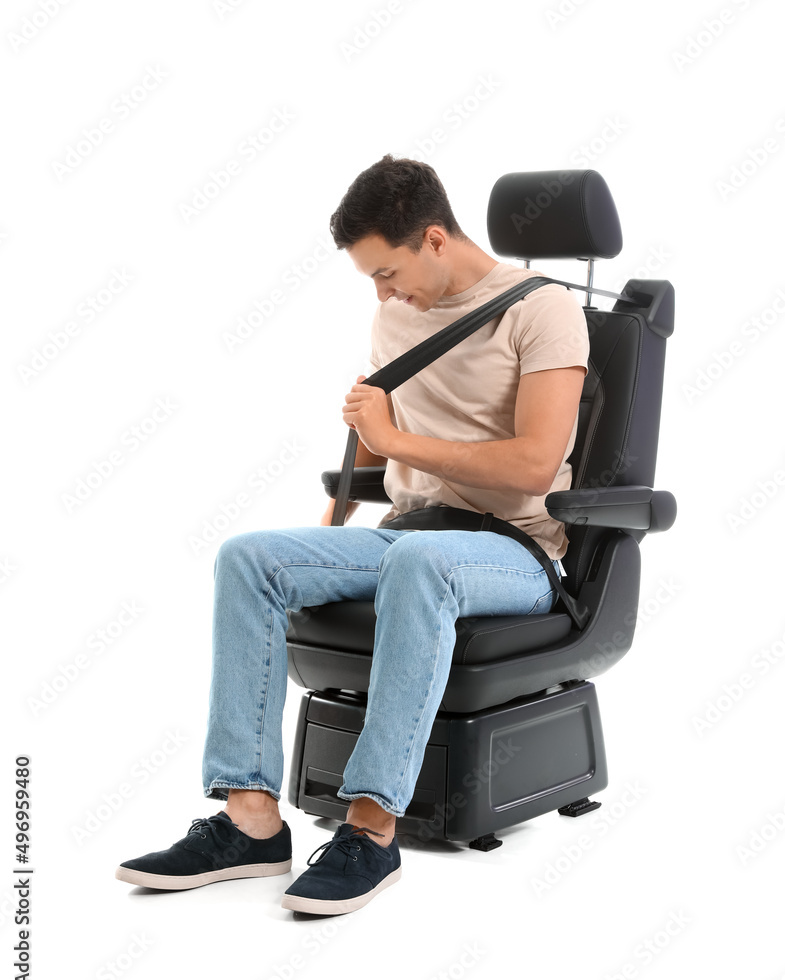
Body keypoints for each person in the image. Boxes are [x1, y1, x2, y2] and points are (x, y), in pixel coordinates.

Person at [115, 154, 589, 915]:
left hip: (510, 548)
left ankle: (369, 831)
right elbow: (379, 445)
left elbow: (534, 465)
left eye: (386, 271)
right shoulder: (395, 314)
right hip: (408, 532)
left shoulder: (542, 310)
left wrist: (396, 445)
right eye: (370, 278)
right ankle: (250, 821)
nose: (381, 291)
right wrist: (348, 491)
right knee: (250, 559)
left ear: (434, 239)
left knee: (423, 564)